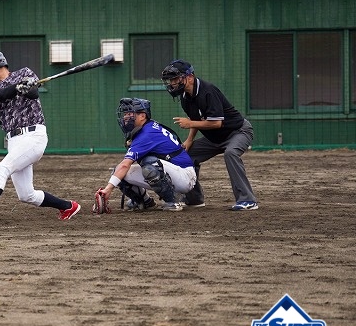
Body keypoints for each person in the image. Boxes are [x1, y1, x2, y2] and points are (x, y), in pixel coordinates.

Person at [0, 50, 80, 224]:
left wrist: (27, 86)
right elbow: (1, 95)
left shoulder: (25, 73)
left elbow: (33, 94)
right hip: (14, 141)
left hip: (33, 136)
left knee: (1, 169)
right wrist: (17, 87)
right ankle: (68, 206)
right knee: (26, 195)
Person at [161, 59, 258, 211]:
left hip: (238, 131)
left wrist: (190, 123)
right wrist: (189, 140)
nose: (172, 83)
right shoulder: (185, 97)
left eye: (176, 78)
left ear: (190, 77)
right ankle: (194, 199)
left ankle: (248, 200)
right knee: (186, 155)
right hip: (214, 138)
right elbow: (195, 119)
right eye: (170, 80)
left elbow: (216, 123)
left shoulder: (208, 91)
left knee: (231, 153)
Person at [96, 98, 197, 212]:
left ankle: (173, 201)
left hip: (185, 176)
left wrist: (108, 189)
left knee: (149, 164)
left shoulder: (147, 133)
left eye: (130, 113)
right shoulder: (146, 127)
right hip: (172, 171)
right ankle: (146, 202)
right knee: (118, 173)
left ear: (142, 116)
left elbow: (126, 164)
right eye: (125, 114)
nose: (125, 117)